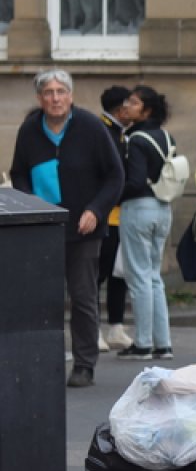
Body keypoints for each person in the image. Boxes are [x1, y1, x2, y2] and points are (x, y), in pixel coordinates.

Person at [9, 69, 124, 387]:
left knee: (83, 297)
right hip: (43, 229)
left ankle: (84, 364)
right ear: (40, 98)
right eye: (48, 92)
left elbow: (115, 176)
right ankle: (40, 360)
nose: (55, 98)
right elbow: (19, 173)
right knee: (40, 298)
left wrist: (96, 210)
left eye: (61, 91)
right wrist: (31, 204)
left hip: (83, 229)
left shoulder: (91, 127)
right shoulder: (30, 130)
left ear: (71, 96)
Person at [115, 85, 174, 360]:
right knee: (153, 277)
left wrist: (114, 195)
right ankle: (163, 343)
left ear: (147, 110)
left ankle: (142, 343)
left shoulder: (135, 139)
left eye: (133, 102)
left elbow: (136, 180)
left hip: (138, 208)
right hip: (163, 207)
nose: (127, 106)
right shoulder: (166, 136)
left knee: (138, 277)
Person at [97, 85, 134, 351]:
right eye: (131, 103)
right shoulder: (103, 131)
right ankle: (93, 329)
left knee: (118, 275)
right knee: (98, 275)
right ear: (121, 108)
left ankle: (116, 327)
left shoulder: (120, 133)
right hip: (105, 215)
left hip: (121, 215)